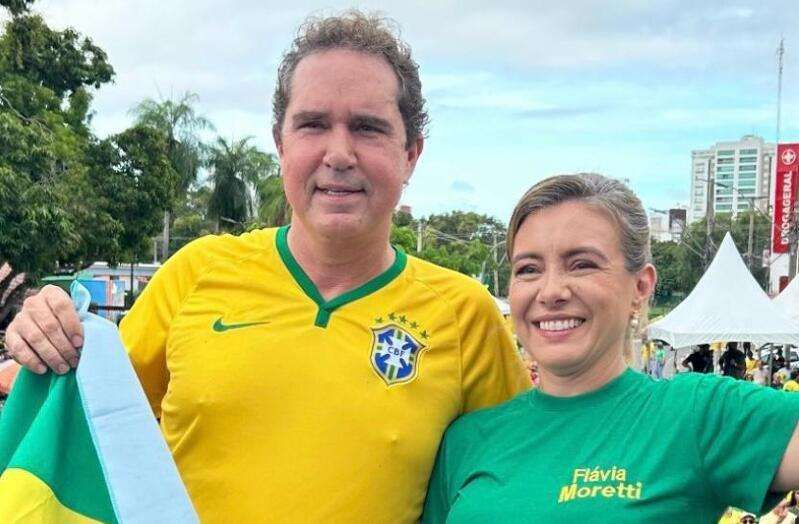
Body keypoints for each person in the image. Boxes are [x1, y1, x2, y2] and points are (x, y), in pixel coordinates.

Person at [3, 12, 529, 522]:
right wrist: (49, 331)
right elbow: (87, 420)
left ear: (411, 153)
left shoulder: (465, 315)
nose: (339, 153)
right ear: (281, 144)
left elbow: (522, 473)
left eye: (368, 128)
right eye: (313, 125)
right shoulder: (196, 273)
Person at [422, 173, 799, 522]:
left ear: (640, 286)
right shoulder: (466, 440)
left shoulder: (697, 414)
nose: (551, 292)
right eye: (528, 269)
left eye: (582, 264)